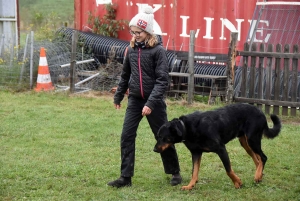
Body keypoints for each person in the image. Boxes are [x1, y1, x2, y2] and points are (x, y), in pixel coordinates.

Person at [107, 6, 182, 188]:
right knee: (126, 136)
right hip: (134, 99)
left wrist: (150, 103)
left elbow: (162, 80)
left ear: (148, 31)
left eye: (138, 32)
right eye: (133, 32)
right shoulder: (131, 50)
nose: (135, 35)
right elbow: (125, 75)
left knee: (163, 136)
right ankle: (125, 177)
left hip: (154, 102)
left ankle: (175, 172)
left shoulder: (158, 51)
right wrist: (118, 96)